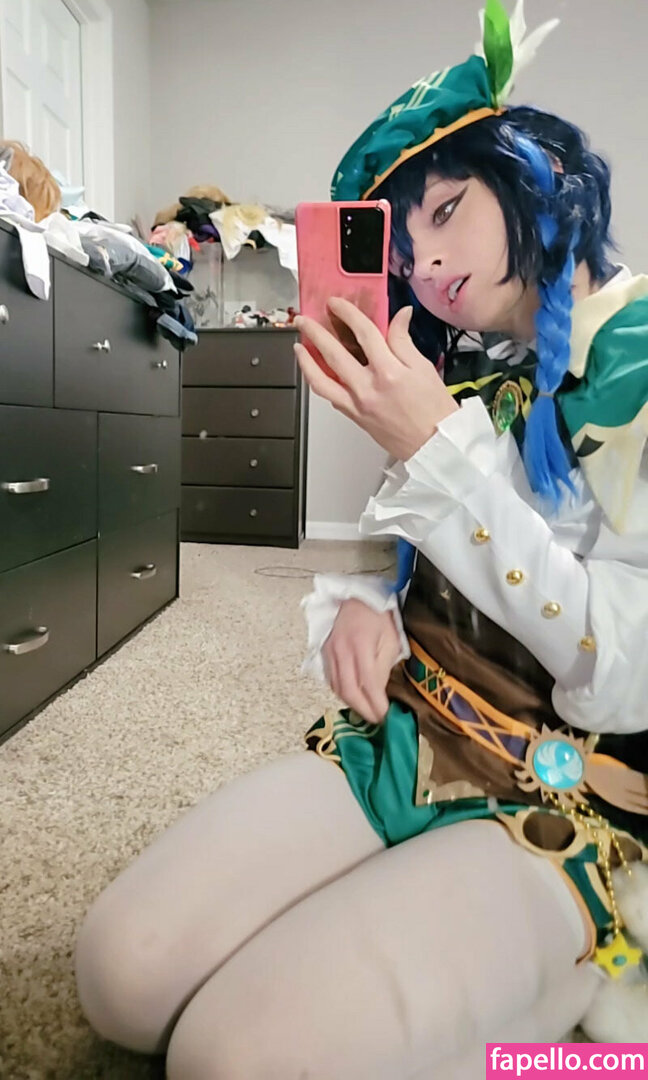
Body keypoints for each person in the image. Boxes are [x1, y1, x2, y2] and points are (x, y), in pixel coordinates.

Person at [74, 2, 648, 1075]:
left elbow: (622, 678)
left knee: (235, 1057)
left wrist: (437, 453)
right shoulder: (473, 380)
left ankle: (569, 992)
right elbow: (437, 571)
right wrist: (367, 606)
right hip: (415, 731)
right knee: (122, 973)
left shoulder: (639, 365)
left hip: (576, 794)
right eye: (404, 240)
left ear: (542, 179)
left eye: (449, 208)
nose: (426, 262)